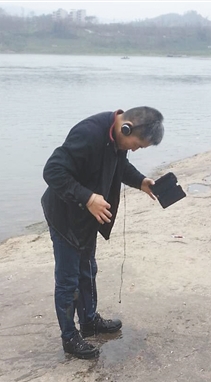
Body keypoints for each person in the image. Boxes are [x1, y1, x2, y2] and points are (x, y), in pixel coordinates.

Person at [41, 107, 164, 359]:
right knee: (68, 280)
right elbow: (52, 170)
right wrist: (88, 198)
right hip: (64, 216)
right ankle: (69, 337)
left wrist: (141, 182)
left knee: (87, 270)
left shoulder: (117, 139)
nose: (134, 150)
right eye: (137, 145)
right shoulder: (88, 134)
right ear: (126, 128)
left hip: (88, 218)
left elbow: (120, 165)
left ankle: (89, 322)